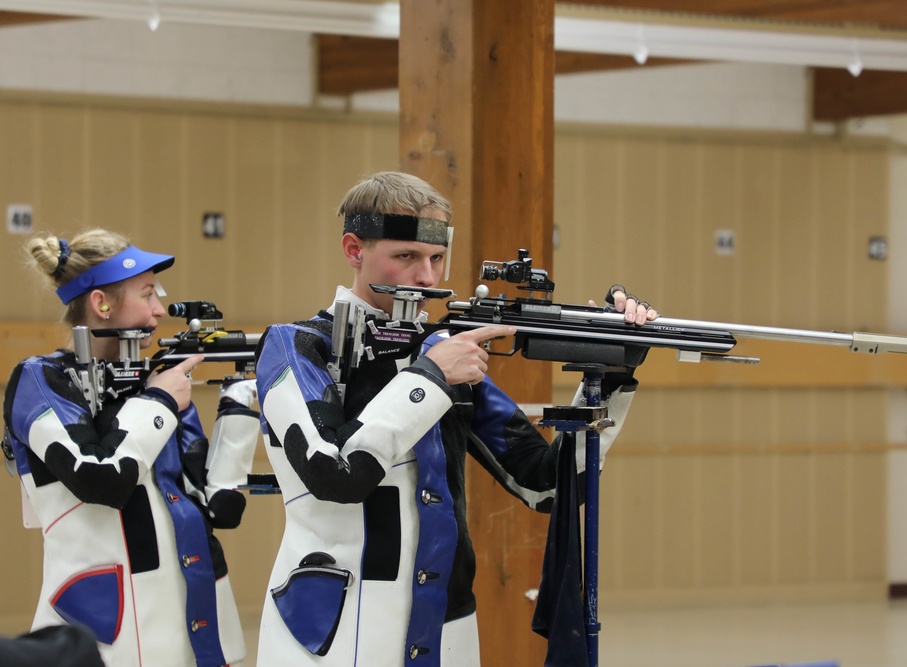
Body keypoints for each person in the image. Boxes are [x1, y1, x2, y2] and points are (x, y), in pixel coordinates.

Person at [254, 171, 658, 667]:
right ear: (354, 249)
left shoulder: (440, 356)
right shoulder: (296, 346)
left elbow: (547, 485)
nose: (427, 278)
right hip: (335, 625)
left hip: (448, 624)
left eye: (436, 259)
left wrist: (610, 378)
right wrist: (430, 378)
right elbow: (334, 475)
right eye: (406, 257)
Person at [2, 230, 260, 667]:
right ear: (102, 304)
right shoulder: (42, 380)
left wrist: (239, 403)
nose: (161, 309)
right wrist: (158, 402)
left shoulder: (156, 384)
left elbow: (220, 508)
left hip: (200, 624)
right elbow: (100, 477)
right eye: (147, 294)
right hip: (109, 633)